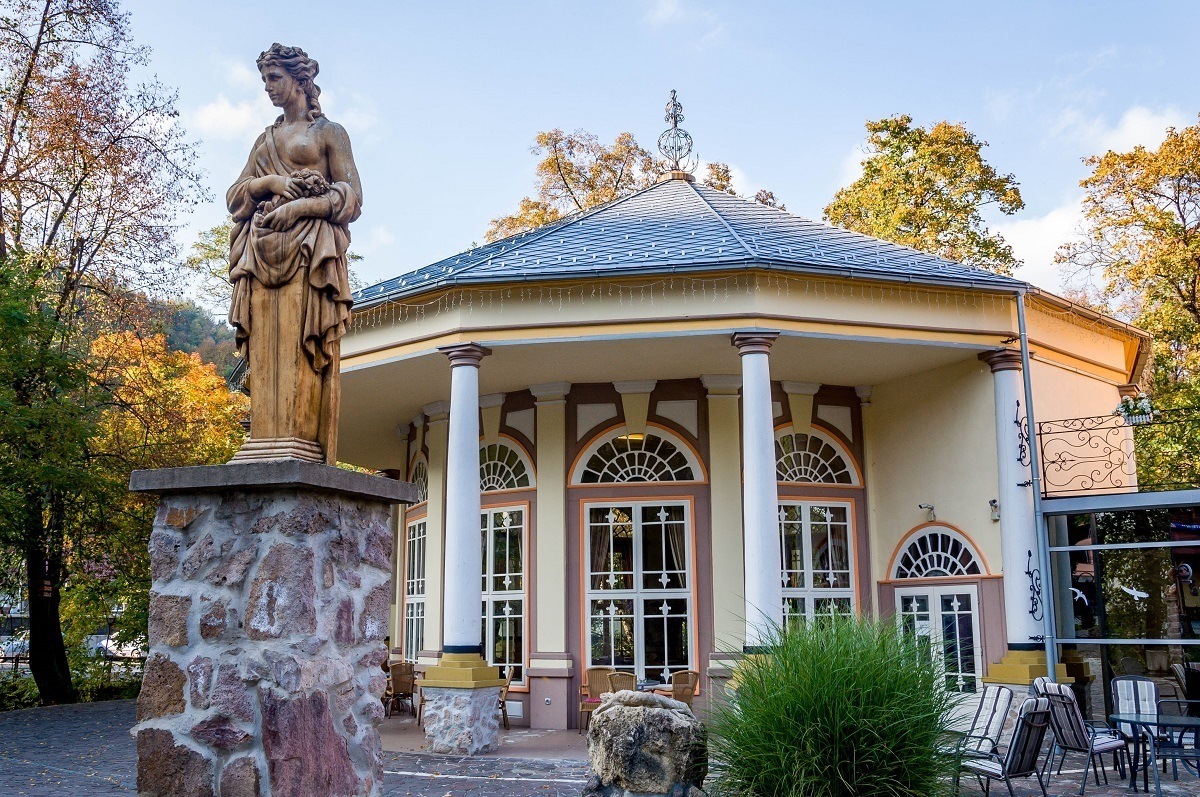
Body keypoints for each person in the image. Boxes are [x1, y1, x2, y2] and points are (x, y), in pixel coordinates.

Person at [227, 43, 363, 464]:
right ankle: (264, 441)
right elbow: (234, 196)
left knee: (301, 347)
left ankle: (299, 440)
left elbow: (352, 198)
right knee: (265, 350)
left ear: (300, 81)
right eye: (264, 80)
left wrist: (300, 207)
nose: (268, 88)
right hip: (261, 250)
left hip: (308, 250)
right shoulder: (264, 139)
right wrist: (267, 185)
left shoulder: (329, 133)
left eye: (275, 78)